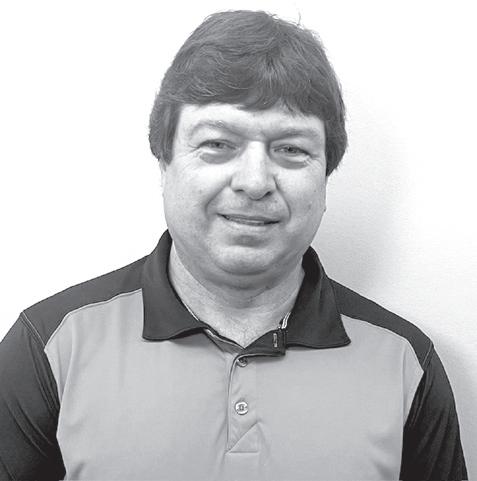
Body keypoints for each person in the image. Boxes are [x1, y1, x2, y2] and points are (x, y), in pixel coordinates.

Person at [0, 9, 467, 481]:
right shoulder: (50, 345)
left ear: (325, 176)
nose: (254, 181)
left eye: (291, 149)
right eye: (219, 144)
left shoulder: (406, 362)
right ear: (164, 163)